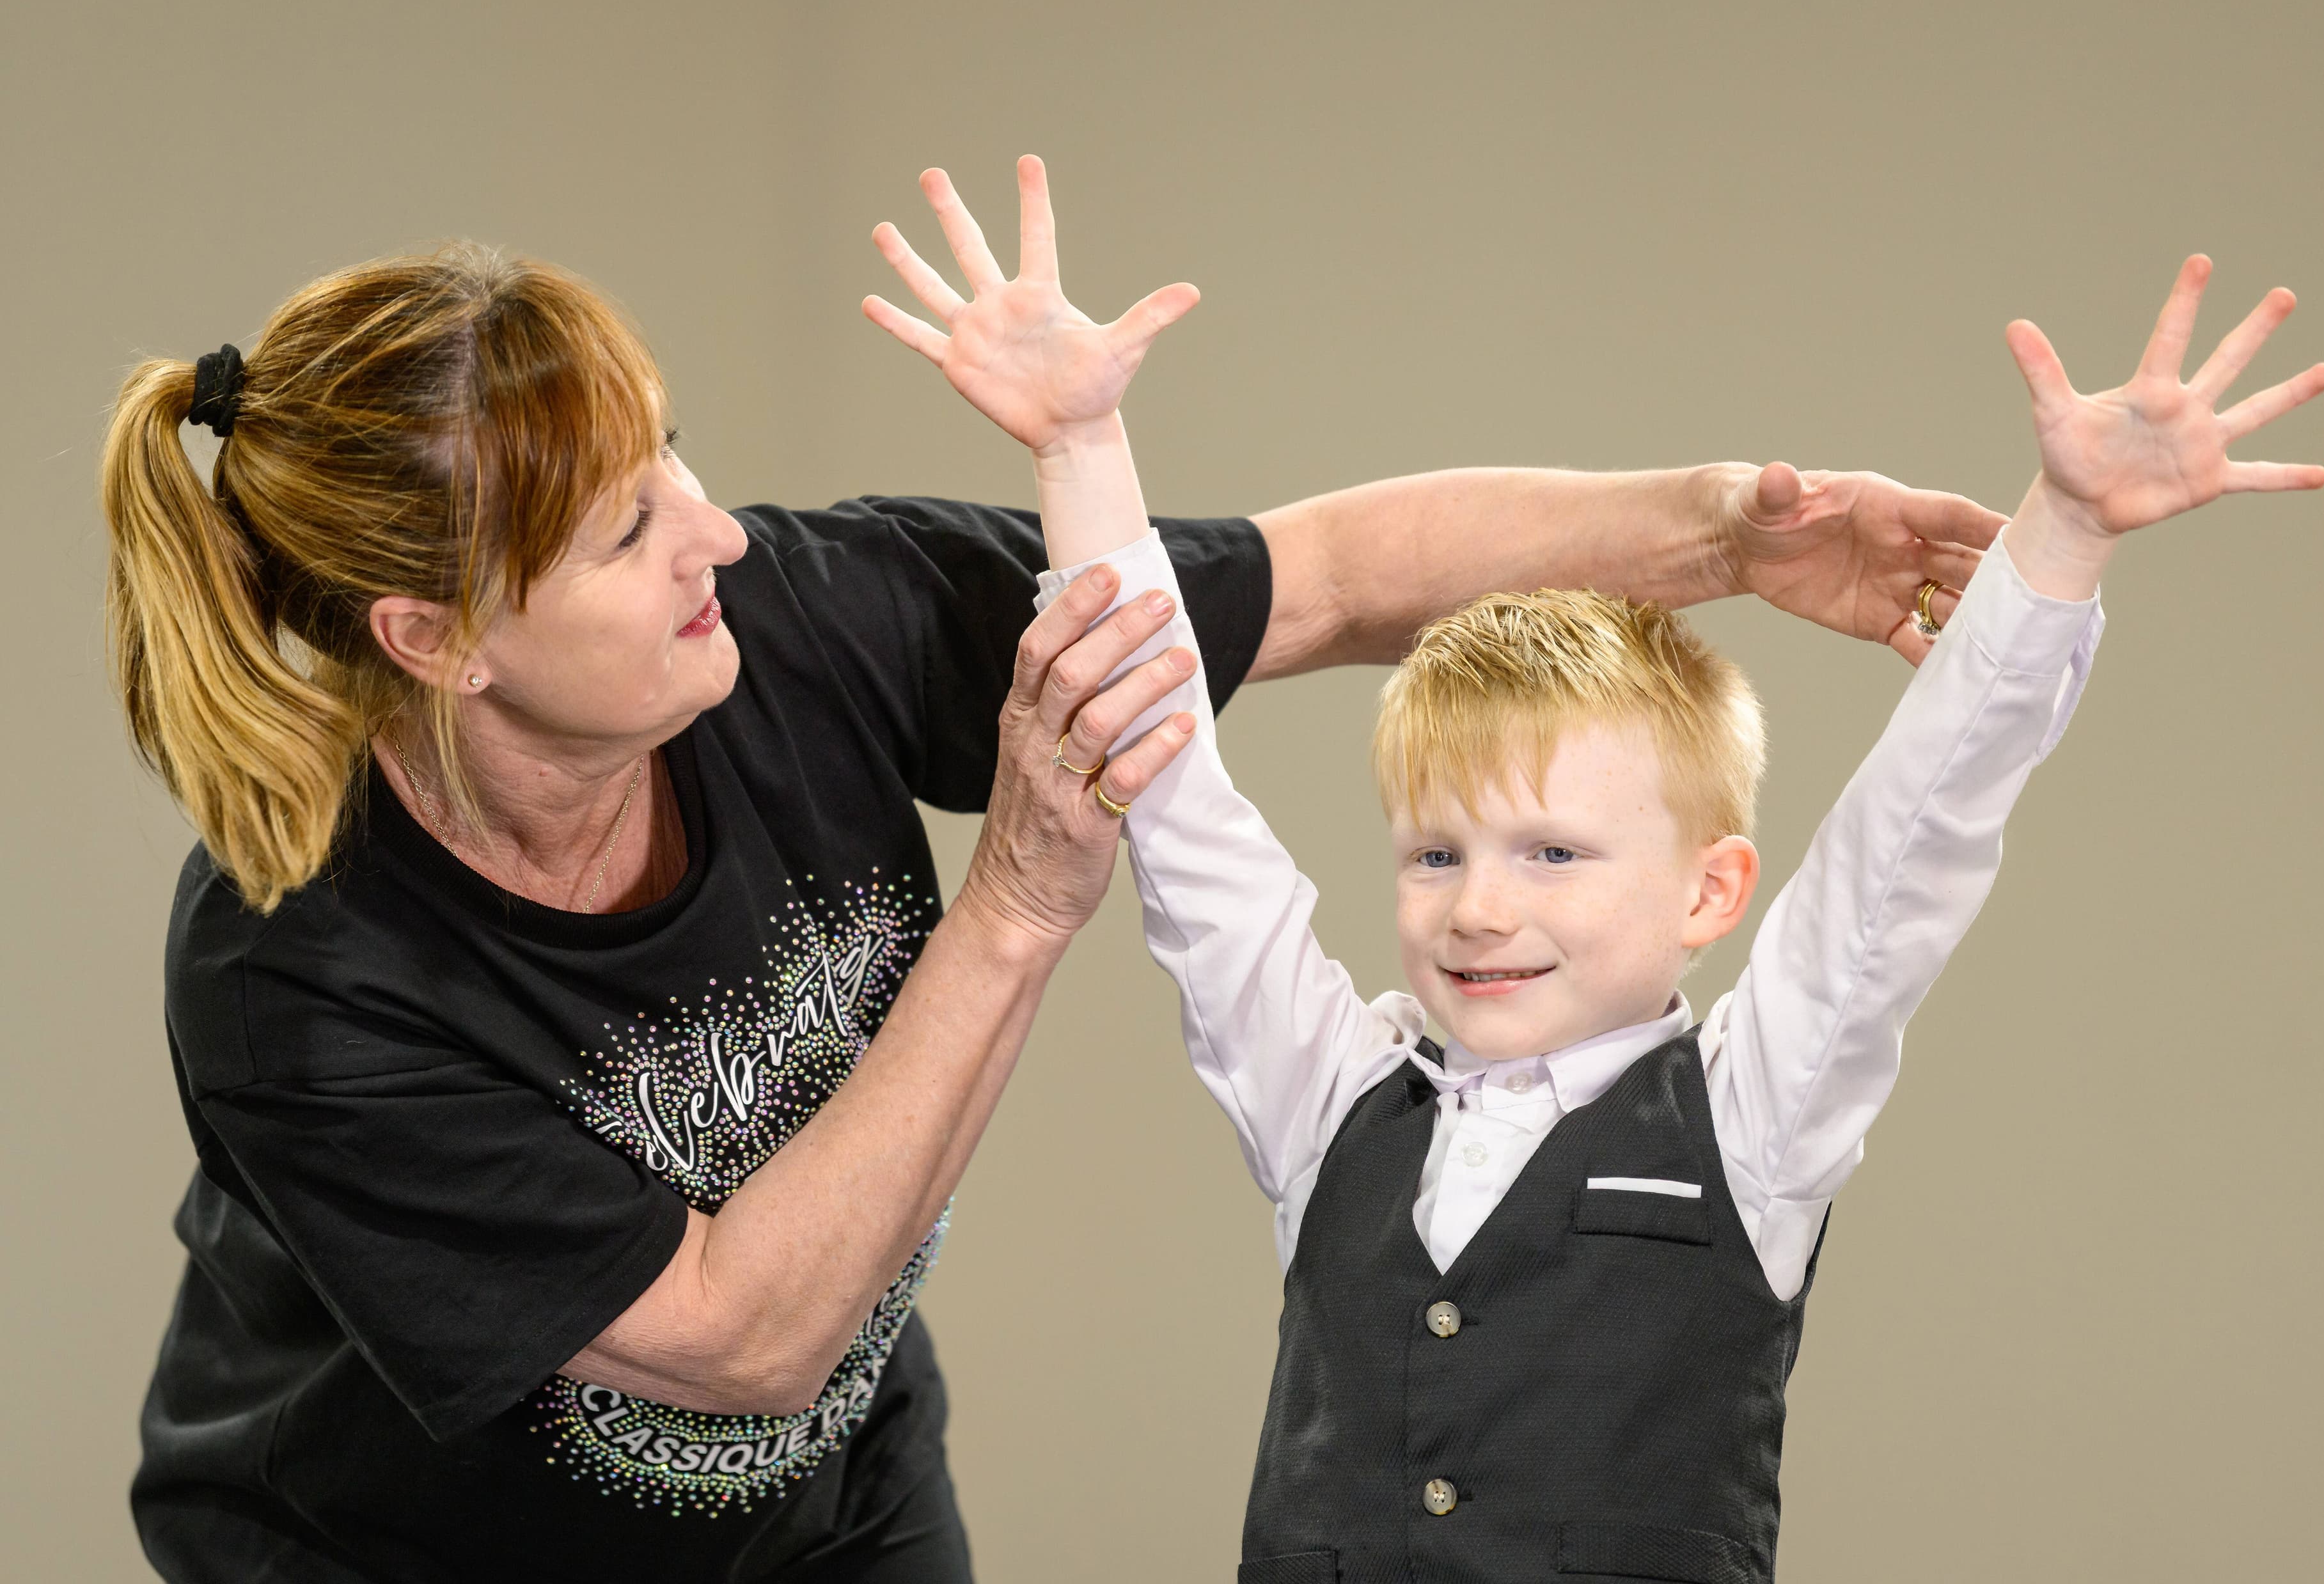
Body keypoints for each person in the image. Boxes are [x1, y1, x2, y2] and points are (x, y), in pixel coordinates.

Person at [112, 164, 2015, 1583]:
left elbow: (1329, 577)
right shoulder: (303, 968)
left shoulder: (803, 622)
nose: (712, 532)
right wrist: (1016, 898)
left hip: (834, 1524)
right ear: (434, 640)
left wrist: (1726, 533)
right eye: (625, 530)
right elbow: (748, 1341)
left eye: (673, 455)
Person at [878, 180, 2324, 1582]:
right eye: (1438, 852)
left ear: (1711, 892)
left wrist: (2063, 535)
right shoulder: (1333, 1102)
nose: (1480, 908)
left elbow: (1917, 833)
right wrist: (1079, 450)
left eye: (1554, 853)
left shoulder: (1755, 1116)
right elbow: (1177, 793)